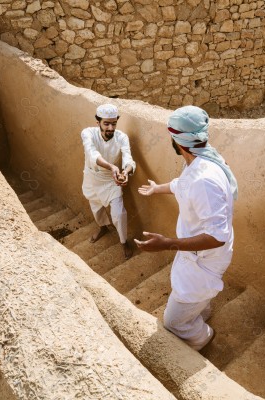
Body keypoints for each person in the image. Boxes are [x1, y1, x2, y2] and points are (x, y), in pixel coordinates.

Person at [134, 105, 238, 351]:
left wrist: (167, 244)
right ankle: (201, 311)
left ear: (178, 141)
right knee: (197, 299)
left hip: (204, 258)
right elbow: (185, 184)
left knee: (173, 322)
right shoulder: (203, 157)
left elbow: (216, 236)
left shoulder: (203, 179)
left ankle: (203, 337)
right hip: (198, 253)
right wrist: (157, 188)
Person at [81, 103, 136, 259]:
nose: (110, 128)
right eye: (106, 123)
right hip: (92, 178)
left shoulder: (122, 137)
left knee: (119, 213)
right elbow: (92, 154)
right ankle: (103, 227)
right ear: (97, 122)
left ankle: (123, 241)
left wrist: (125, 172)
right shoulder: (88, 133)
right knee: (96, 207)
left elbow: (128, 159)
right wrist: (112, 167)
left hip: (112, 181)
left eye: (114, 123)